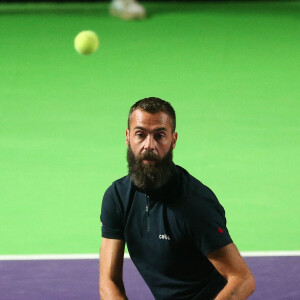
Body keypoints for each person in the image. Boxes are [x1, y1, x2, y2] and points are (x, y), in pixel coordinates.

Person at [99, 97, 255, 300]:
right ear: (128, 137)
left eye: (159, 135)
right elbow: (108, 281)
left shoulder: (195, 203)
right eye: (140, 134)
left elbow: (242, 279)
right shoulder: (117, 197)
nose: (149, 145)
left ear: (173, 140)